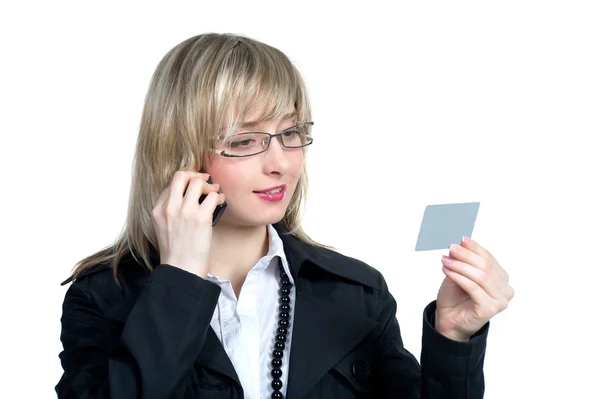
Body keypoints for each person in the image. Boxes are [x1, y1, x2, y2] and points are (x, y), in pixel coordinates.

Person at [55, 33, 514, 399]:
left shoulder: (357, 293)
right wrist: (178, 280)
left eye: (290, 132)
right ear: (181, 155)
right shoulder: (102, 297)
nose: (281, 163)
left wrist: (453, 338)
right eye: (243, 141)